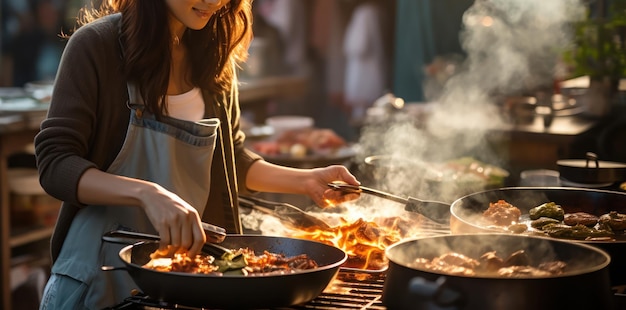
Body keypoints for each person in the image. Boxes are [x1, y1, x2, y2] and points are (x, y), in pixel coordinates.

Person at [35, 0, 360, 309]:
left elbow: (232, 161)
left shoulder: (213, 55)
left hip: (183, 283)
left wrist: (308, 181)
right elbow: (56, 164)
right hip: (97, 280)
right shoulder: (96, 46)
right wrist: (147, 193)